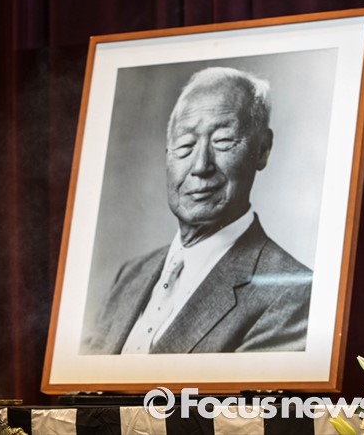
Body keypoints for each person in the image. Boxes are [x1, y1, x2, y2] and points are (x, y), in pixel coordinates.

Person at [82, 67, 312, 355]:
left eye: (223, 141)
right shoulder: (130, 275)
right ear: (167, 154)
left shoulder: (293, 292)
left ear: (263, 149)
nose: (201, 165)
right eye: (185, 145)